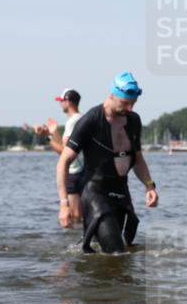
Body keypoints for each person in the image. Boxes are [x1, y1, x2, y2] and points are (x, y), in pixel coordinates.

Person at [56, 72, 158, 253]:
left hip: (121, 193)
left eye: (133, 103)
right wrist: (64, 204)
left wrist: (149, 186)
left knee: (110, 250)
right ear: (111, 95)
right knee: (117, 253)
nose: (129, 108)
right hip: (95, 192)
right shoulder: (91, 120)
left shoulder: (134, 120)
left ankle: (87, 274)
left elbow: (138, 159)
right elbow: (63, 161)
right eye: (125, 103)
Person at [38, 88, 85, 226]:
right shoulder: (80, 119)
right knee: (78, 214)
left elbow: (64, 152)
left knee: (76, 216)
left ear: (68, 102)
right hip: (82, 170)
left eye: (61, 101)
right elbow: (66, 147)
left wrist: (46, 138)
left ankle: (77, 242)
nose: (60, 104)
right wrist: (54, 132)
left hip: (74, 172)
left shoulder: (72, 122)